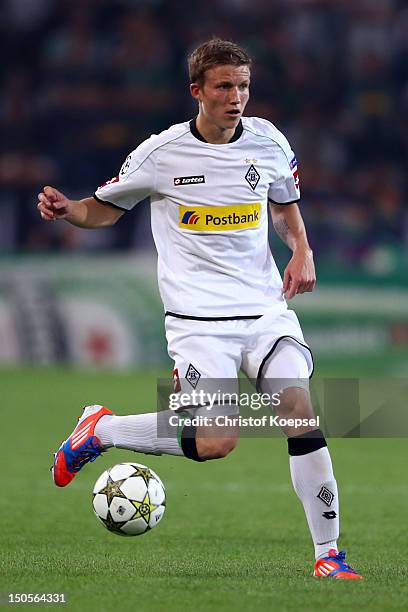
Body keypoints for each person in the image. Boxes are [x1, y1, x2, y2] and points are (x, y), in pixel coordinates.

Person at [37, 38, 362, 579]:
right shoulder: (161, 154)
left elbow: (284, 207)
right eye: (224, 87)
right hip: (197, 324)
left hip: (264, 314)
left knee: (301, 416)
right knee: (216, 441)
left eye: (243, 86)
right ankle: (102, 430)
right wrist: (70, 210)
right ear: (197, 92)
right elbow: (103, 209)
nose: (236, 97)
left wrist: (302, 249)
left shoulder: (268, 141)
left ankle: (328, 555)